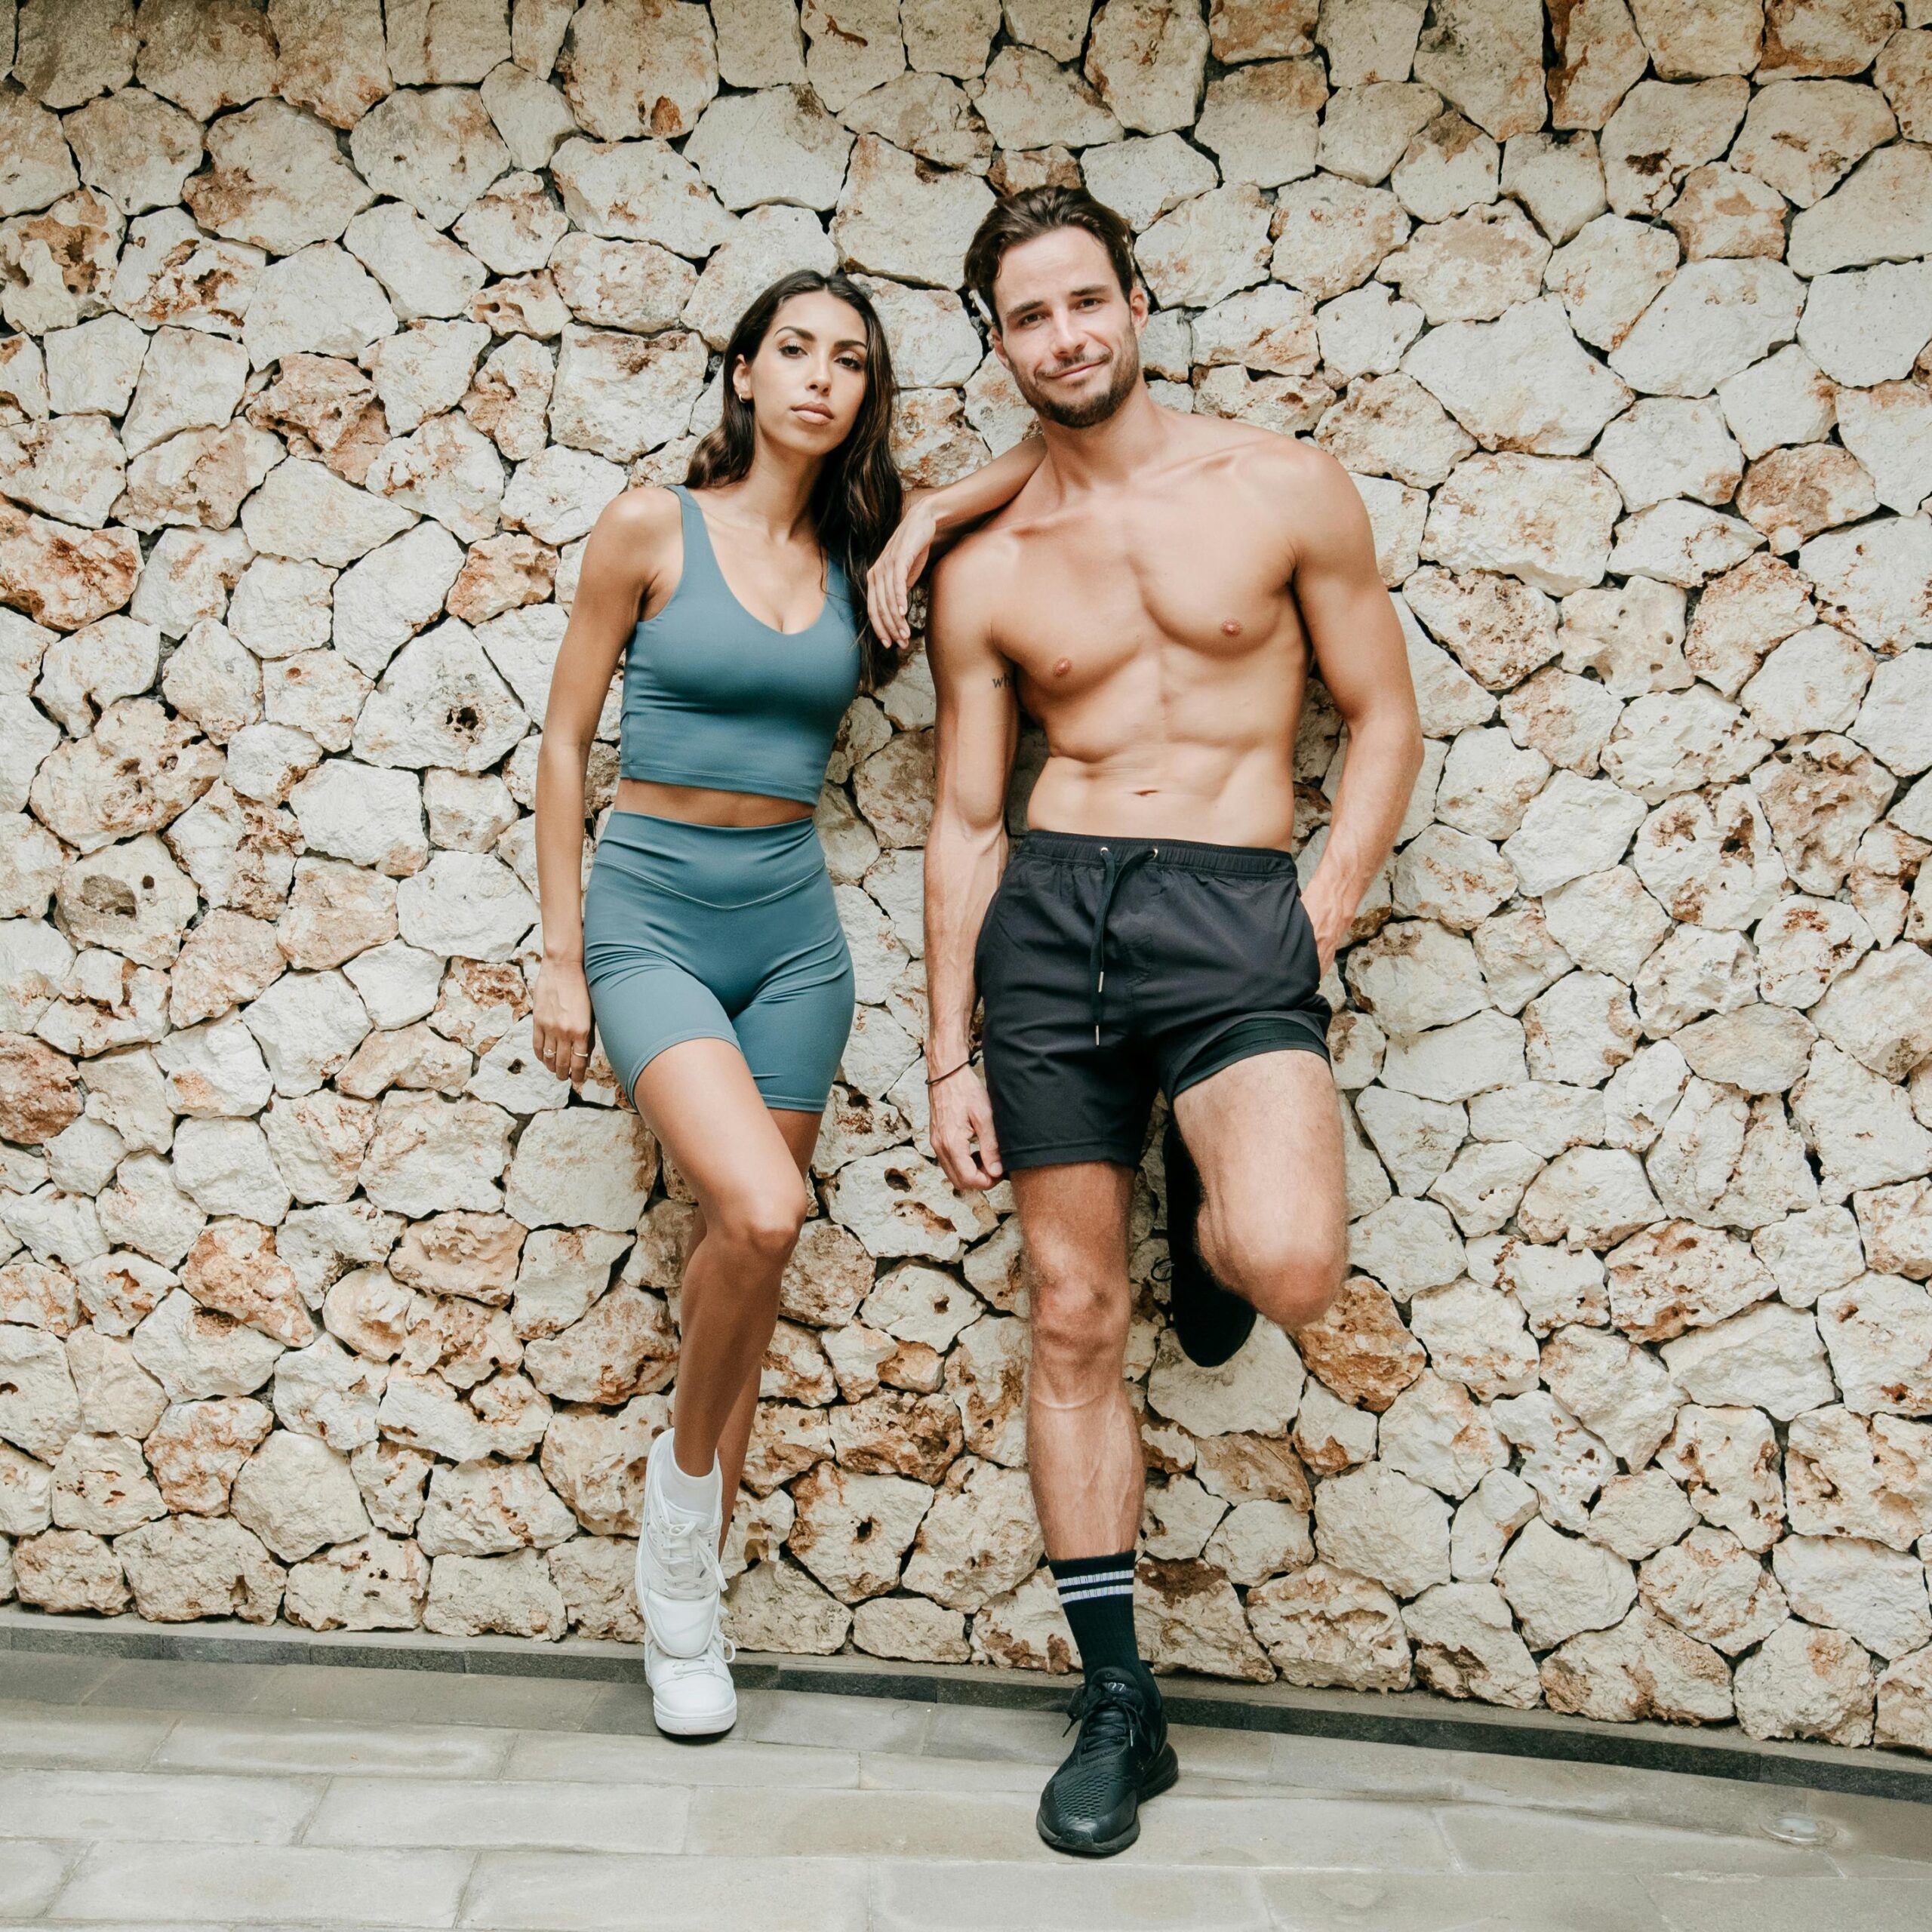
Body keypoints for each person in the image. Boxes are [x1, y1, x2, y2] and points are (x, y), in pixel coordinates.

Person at [921, 188, 1425, 1856]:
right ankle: (1117, 1701)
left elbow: (1380, 714)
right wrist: (944, 1047)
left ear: (1136, 300)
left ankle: (1206, 1219)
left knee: (1288, 1263)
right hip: (1049, 921)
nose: (1061, 337)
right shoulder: (985, 572)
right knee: (1067, 1310)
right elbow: (963, 823)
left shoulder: (1280, 487)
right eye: (1025, 318)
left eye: (1084, 301)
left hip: (1227, 910)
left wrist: (1320, 897)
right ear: (995, 345)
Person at [531, 268, 1044, 1738]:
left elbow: (1038, 458)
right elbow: (566, 743)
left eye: (850, 362)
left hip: (791, 938)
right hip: (649, 921)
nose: (820, 377)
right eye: (795, 350)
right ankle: (679, 1539)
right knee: (761, 1213)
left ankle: (682, 1606)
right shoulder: (650, 524)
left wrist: (935, 513)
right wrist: (561, 951)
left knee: (739, 1267)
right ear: (744, 371)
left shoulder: (859, 550)